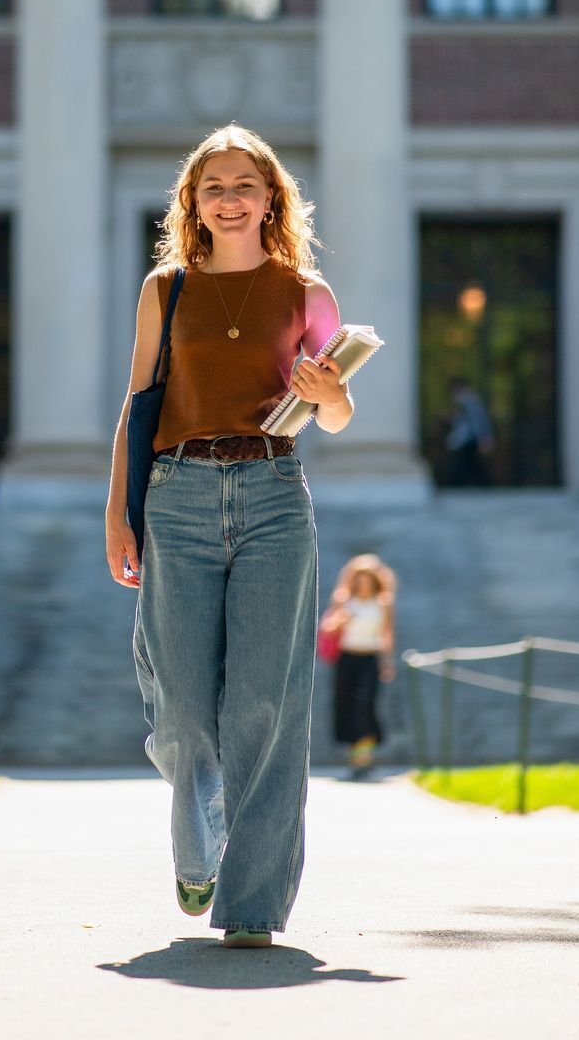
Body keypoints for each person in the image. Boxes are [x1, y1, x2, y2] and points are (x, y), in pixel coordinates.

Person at [105, 124, 356, 949]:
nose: (231, 196)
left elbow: (340, 414)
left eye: (245, 182)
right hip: (176, 493)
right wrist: (120, 513)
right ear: (194, 203)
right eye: (214, 185)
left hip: (274, 492)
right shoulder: (165, 289)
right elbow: (140, 403)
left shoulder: (305, 293)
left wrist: (324, 391)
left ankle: (251, 907)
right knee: (180, 702)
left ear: (271, 196)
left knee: (265, 704)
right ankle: (198, 830)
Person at [319, 556, 396, 776]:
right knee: (347, 706)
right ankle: (357, 760)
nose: (363, 584)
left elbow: (387, 634)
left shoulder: (383, 603)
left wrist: (387, 662)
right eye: (359, 580)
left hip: (369, 657)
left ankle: (365, 758)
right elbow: (327, 627)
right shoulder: (344, 600)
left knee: (365, 705)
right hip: (346, 658)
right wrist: (341, 620)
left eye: (367, 580)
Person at [445, 377, 494, 486]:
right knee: (471, 464)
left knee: (464, 464)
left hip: (468, 439)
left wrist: (483, 437)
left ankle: (455, 484)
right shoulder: (469, 402)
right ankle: (485, 484)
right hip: (468, 439)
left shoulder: (469, 401)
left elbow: (477, 421)